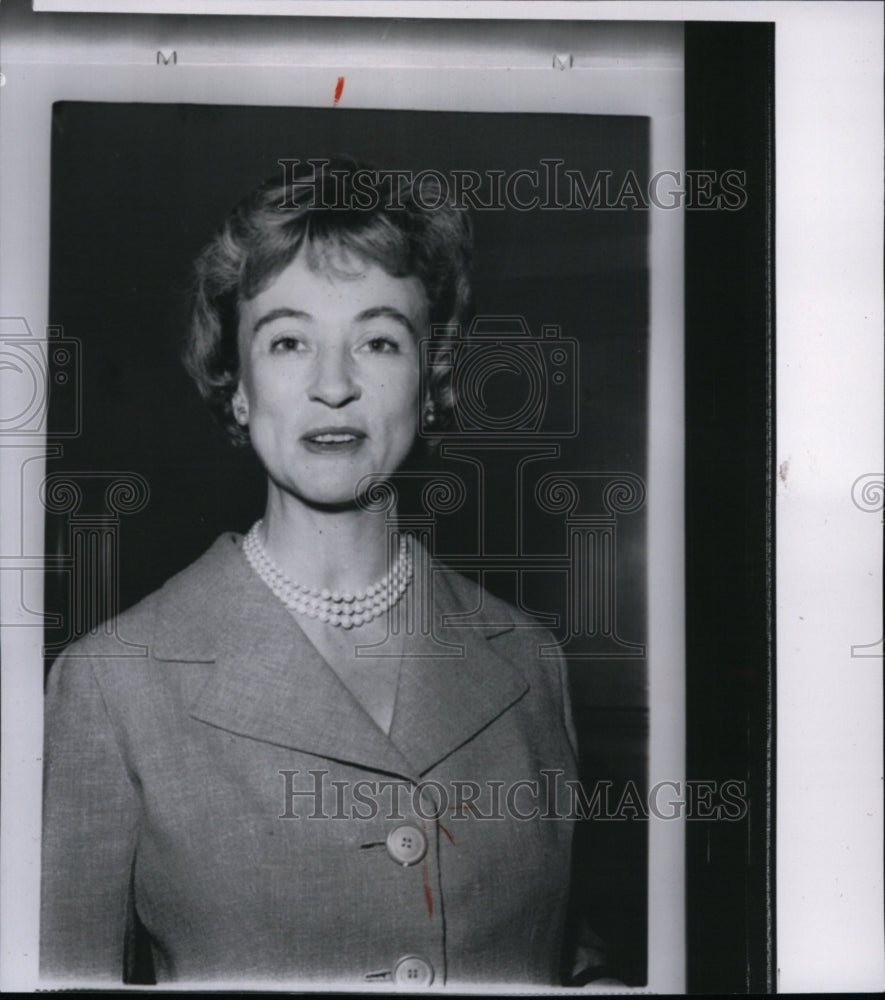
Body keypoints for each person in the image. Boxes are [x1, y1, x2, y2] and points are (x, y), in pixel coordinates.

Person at [39, 158, 587, 987]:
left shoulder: (530, 658)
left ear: (430, 379)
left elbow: (557, 943)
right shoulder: (111, 685)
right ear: (237, 385)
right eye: (289, 341)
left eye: (377, 340)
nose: (333, 386)